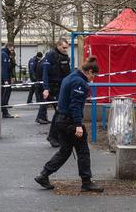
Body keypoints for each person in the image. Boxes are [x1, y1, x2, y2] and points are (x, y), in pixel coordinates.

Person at [34, 56, 104, 193]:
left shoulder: (70, 77)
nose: (93, 79)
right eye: (94, 75)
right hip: (70, 121)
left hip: (60, 119)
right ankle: (86, 182)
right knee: (83, 151)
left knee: (65, 151)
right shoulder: (80, 83)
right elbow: (75, 105)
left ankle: (44, 175)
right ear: (89, 71)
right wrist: (78, 124)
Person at [42, 38, 71, 147]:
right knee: (59, 112)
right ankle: (52, 136)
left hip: (62, 88)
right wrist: (46, 88)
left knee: (62, 112)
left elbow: (67, 72)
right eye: (63, 48)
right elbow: (45, 72)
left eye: (66, 48)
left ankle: (57, 136)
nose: (65, 50)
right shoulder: (51, 55)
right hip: (53, 88)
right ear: (58, 45)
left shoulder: (65, 56)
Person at [1, 43, 15, 118]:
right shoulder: (4, 55)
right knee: (5, 95)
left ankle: (4, 110)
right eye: (12, 49)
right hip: (4, 79)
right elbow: (5, 69)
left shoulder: (5, 54)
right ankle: (4, 111)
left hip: (4, 78)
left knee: (3, 94)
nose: (12, 51)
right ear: (9, 47)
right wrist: (6, 80)